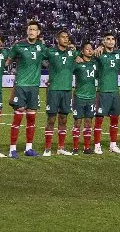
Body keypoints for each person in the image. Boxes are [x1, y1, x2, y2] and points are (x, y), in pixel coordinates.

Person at [5, 22, 46, 158]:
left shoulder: (41, 47)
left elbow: (54, 55)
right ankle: (12, 149)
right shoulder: (19, 46)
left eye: (34, 29)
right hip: (21, 85)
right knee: (17, 118)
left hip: (34, 86)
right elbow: (7, 61)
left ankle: (29, 148)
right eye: (30, 29)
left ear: (38, 32)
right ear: (27, 31)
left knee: (31, 119)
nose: (32, 31)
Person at [41, 28, 78, 156]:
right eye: (63, 37)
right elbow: (37, 57)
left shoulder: (73, 53)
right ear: (57, 39)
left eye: (67, 37)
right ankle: (47, 148)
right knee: (51, 119)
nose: (66, 39)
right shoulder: (50, 52)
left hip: (67, 91)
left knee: (63, 119)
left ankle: (61, 147)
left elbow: (85, 56)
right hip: (54, 90)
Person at [94, 32, 120, 154]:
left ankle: (113, 145)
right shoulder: (99, 54)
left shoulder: (119, 55)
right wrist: (97, 49)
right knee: (99, 120)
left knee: (115, 119)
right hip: (103, 91)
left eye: (113, 39)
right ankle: (97, 145)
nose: (111, 41)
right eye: (108, 39)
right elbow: (86, 54)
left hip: (115, 92)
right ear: (103, 42)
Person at [72, 42, 99, 154]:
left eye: (91, 49)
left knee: (88, 122)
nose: (89, 50)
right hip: (79, 96)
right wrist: (75, 55)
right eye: (87, 49)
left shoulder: (95, 64)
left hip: (91, 96)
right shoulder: (77, 64)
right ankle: (75, 148)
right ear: (82, 51)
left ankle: (87, 147)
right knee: (77, 122)